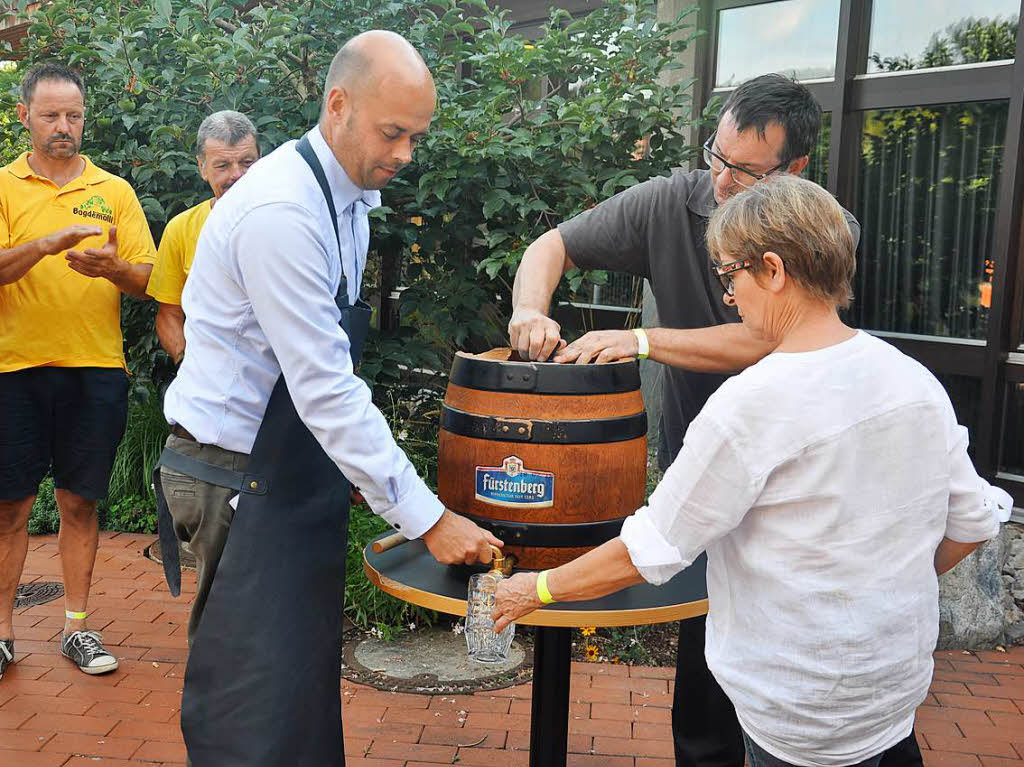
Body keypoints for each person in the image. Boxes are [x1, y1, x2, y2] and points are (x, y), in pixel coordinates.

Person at [494, 173, 1011, 767]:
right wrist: (885, 587)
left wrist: (531, 589)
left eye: (730, 275)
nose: (730, 297)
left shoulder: (751, 405)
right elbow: (972, 522)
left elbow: (651, 549)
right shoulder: (913, 380)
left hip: (797, 709)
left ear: (772, 269)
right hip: (893, 696)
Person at [507, 74, 875, 767]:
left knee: (807, 692)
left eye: (745, 170)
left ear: (795, 169)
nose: (723, 179)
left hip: (801, 492)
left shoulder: (823, 228)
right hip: (707, 481)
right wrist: (530, 309)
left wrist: (644, 339)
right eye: (717, 155)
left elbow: (772, 337)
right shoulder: (672, 200)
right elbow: (549, 247)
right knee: (705, 693)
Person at [155, 31, 500, 766]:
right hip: (231, 474)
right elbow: (325, 387)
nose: (406, 153)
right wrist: (427, 518)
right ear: (338, 105)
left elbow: (326, 366)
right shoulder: (282, 211)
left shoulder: (351, 200)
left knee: (296, 684)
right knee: (249, 697)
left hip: (285, 470)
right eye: (394, 132)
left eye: (417, 136)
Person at [0, 63, 156, 681]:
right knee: (9, 508)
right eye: (51, 115)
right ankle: (3, 633)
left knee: (80, 503)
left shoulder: (114, 191)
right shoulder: (4, 187)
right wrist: (42, 246)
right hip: (12, 369)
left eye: (74, 116)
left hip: (94, 369)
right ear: (24, 116)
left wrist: (112, 270)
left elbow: (150, 279)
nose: (64, 127)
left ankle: (77, 627)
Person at [146, 110, 260, 364]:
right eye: (222, 165)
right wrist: (187, 363)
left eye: (246, 163)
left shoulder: (288, 223)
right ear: (202, 167)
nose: (236, 175)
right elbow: (169, 314)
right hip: (211, 377)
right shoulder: (181, 229)